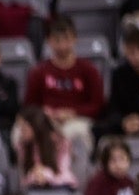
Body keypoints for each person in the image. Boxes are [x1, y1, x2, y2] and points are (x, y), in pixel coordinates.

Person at [23, 15, 105, 170]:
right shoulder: (39, 71)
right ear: (49, 41)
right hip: (46, 120)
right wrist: (43, 113)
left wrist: (73, 113)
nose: (62, 45)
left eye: (66, 39)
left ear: (74, 39)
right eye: (57, 40)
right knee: (22, 132)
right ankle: (33, 177)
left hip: (77, 120)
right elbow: (29, 105)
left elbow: (97, 104)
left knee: (73, 134)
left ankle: (73, 179)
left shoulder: (88, 70)